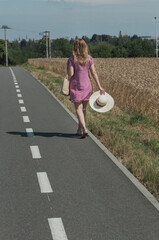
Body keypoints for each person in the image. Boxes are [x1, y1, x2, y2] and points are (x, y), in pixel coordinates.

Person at [67, 39, 105, 138]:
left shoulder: (72, 60)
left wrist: (68, 70)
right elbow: (94, 73)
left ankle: (84, 128)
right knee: (83, 109)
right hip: (87, 87)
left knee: (78, 109)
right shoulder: (89, 58)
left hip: (76, 86)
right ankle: (79, 129)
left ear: (75, 47)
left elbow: (71, 74)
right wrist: (100, 87)